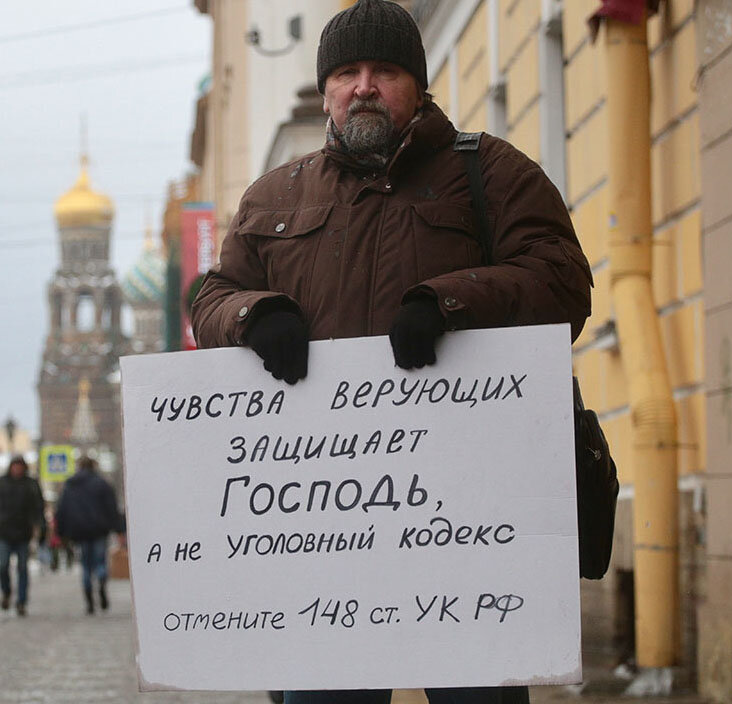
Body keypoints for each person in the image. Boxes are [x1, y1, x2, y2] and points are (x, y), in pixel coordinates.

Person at [192, 1, 592, 701]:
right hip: (321, 534)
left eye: (385, 71)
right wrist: (254, 315)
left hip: (467, 530)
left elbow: (562, 282)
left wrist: (447, 301)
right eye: (346, 72)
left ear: (417, 84)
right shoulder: (271, 197)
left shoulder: (491, 175)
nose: (363, 86)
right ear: (326, 91)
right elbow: (211, 296)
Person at [55, 456, 125, 614]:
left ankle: (89, 602)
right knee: (100, 561)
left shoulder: (71, 485)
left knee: (85, 565)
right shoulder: (102, 484)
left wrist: (61, 532)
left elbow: (63, 510)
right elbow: (111, 508)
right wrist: (119, 529)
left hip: (79, 531)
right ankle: (101, 580)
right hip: (99, 530)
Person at [0, 455, 45, 616]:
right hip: (4, 532)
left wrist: (38, 528)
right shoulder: (2, 482)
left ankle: (21, 601)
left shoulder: (31, 484)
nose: (17, 469)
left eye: (20, 466)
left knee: (22, 568)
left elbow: (39, 507)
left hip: (23, 533)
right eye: (15, 466)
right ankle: (6, 591)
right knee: (2, 565)